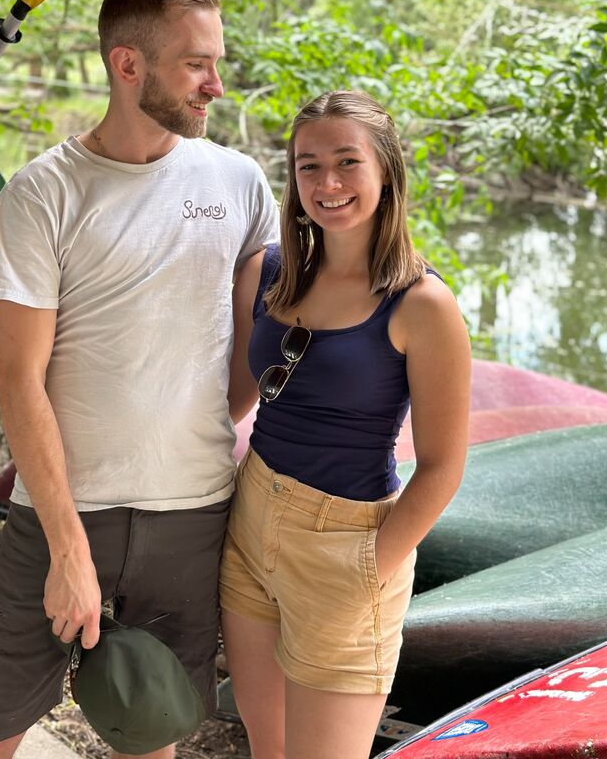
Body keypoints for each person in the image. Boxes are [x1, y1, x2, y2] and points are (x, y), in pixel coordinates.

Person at [0, 0, 279, 759]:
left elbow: (250, 355)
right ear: (128, 65)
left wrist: (180, 431)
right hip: (60, 516)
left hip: (191, 513)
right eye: (197, 63)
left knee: (149, 734)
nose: (216, 85)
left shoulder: (239, 184)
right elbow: (20, 380)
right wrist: (68, 550)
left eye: (217, 60)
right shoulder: (43, 194)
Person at [219, 90, 471, 759]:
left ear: (386, 172)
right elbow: (237, 399)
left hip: (349, 543)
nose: (326, 184)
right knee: (264, 746)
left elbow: (444, 464)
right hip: (251, 523)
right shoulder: (265, 273)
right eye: (308, 166)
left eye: (346, 162)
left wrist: (372, 566)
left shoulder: (422, 304)